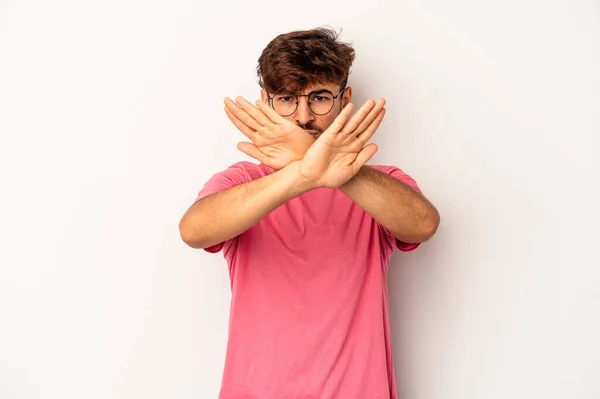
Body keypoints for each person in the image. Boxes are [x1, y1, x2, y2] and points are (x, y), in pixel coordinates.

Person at [179, 27, 440, 399]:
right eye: (287, 99)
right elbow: (194, 230)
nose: (302, 117)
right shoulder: (243, 180)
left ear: (344, 98)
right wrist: (303, 171)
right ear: (266, 102)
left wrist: (336, 171)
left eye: (318, 98)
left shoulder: (379, 183)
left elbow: (423, 224)